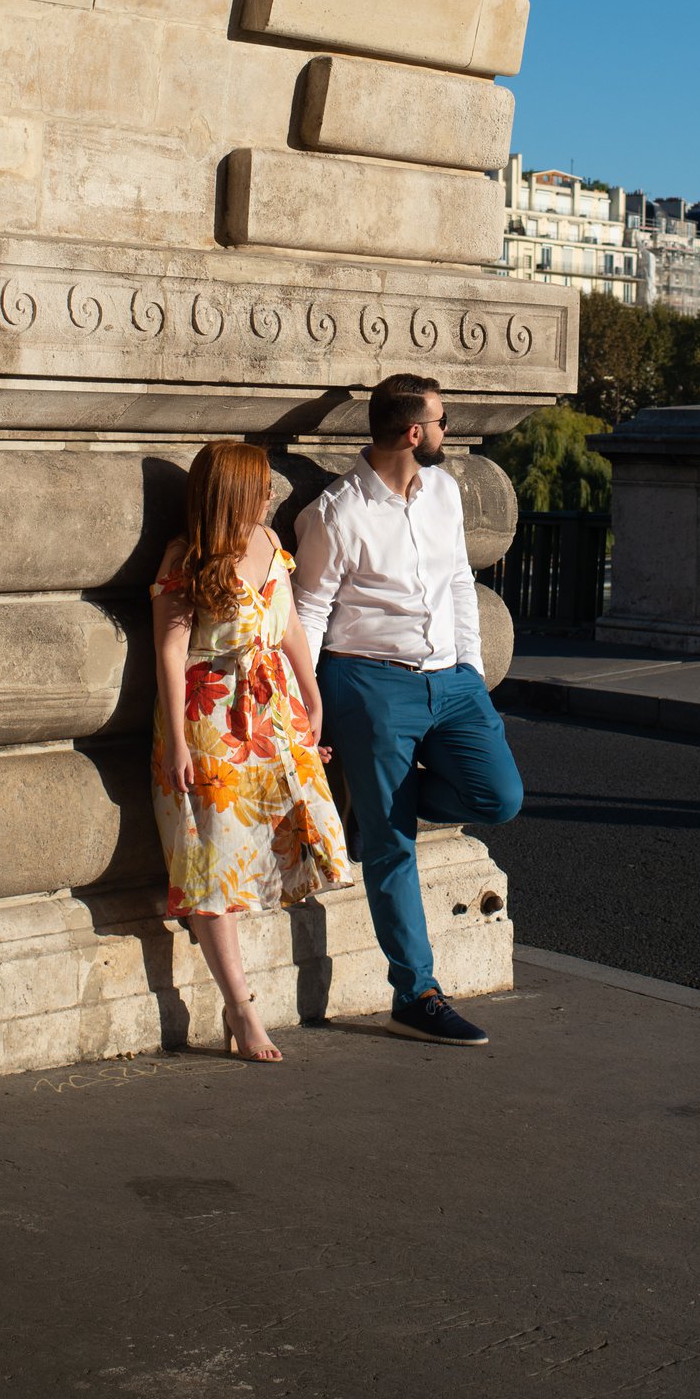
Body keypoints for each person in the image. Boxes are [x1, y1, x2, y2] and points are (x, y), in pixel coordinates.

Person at [293, 375, 523, 1045]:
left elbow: (458, 579)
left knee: (499, 795)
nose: (450, 433)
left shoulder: (446, 492)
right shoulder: (337, 514)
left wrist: (471, 673)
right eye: (443, 422)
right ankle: (416, 992)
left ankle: (371, 797)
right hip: (368, 684)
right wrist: (304, 706)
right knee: (394, 845)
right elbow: (308, 613)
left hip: (450, 680)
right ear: (414, 433)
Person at [150, 439, 350, 1063]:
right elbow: (170, 652)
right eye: (263, 484)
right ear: (234, 490)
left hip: (273, 707)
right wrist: (179, 744)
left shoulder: (268, 539)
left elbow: (287, 623)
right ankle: (240, 1007)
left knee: (299, 830)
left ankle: (243, 1000)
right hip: (209, 715)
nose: (272, 493)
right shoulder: (188, 557)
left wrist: (312, 694)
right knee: (210, 862)